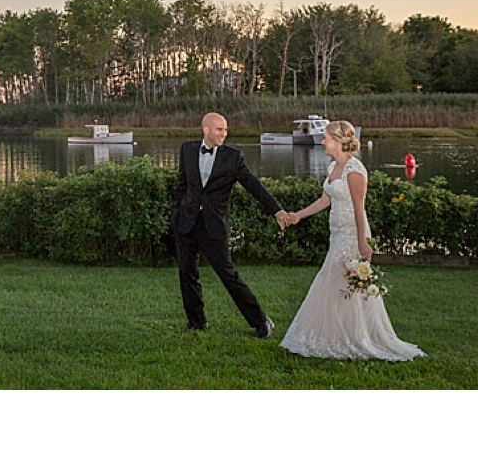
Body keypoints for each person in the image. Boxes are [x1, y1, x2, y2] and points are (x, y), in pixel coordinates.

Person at [279, 120, 425, 360]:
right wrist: (298, 216)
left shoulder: (354, 170)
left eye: (326, 137)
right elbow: (325, 201)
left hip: (351, 234)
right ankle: (334, 335)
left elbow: (360, 209)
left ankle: (354, 338)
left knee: (338, 283)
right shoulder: (333, 167)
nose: (323, 141)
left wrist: (362, 243)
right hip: (336, 232)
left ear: (337, 140)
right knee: (337, 285)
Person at [173, 112, 289, 338]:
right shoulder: (187, 149)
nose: (224, 134)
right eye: (219, 129)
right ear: (205, 129)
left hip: (213, 226)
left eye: (225, 130)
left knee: (227, 274)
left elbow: (254, 186)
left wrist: (277, 210)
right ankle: (196, 322)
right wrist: (177, 211)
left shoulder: (233, 157)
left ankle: (260, 321)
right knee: (187, 273)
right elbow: (182, 184)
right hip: (186, 223)